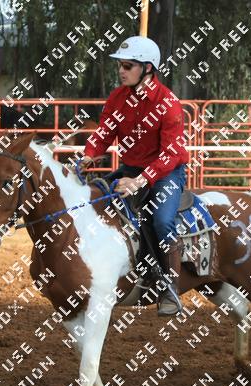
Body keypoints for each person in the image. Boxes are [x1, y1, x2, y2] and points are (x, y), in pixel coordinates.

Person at [81, 36, 189, 316]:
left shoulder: (168, 103)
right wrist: (88, 155)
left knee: (162, 221)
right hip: (129, 170)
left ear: (148, 68)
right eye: (120, 65)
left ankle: (170, 289)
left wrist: (140, 181)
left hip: (166, 173)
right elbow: (103, 134)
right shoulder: (117, 98)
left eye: (128, 66)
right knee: (93, 202)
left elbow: (170, 155)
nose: (121, 70)